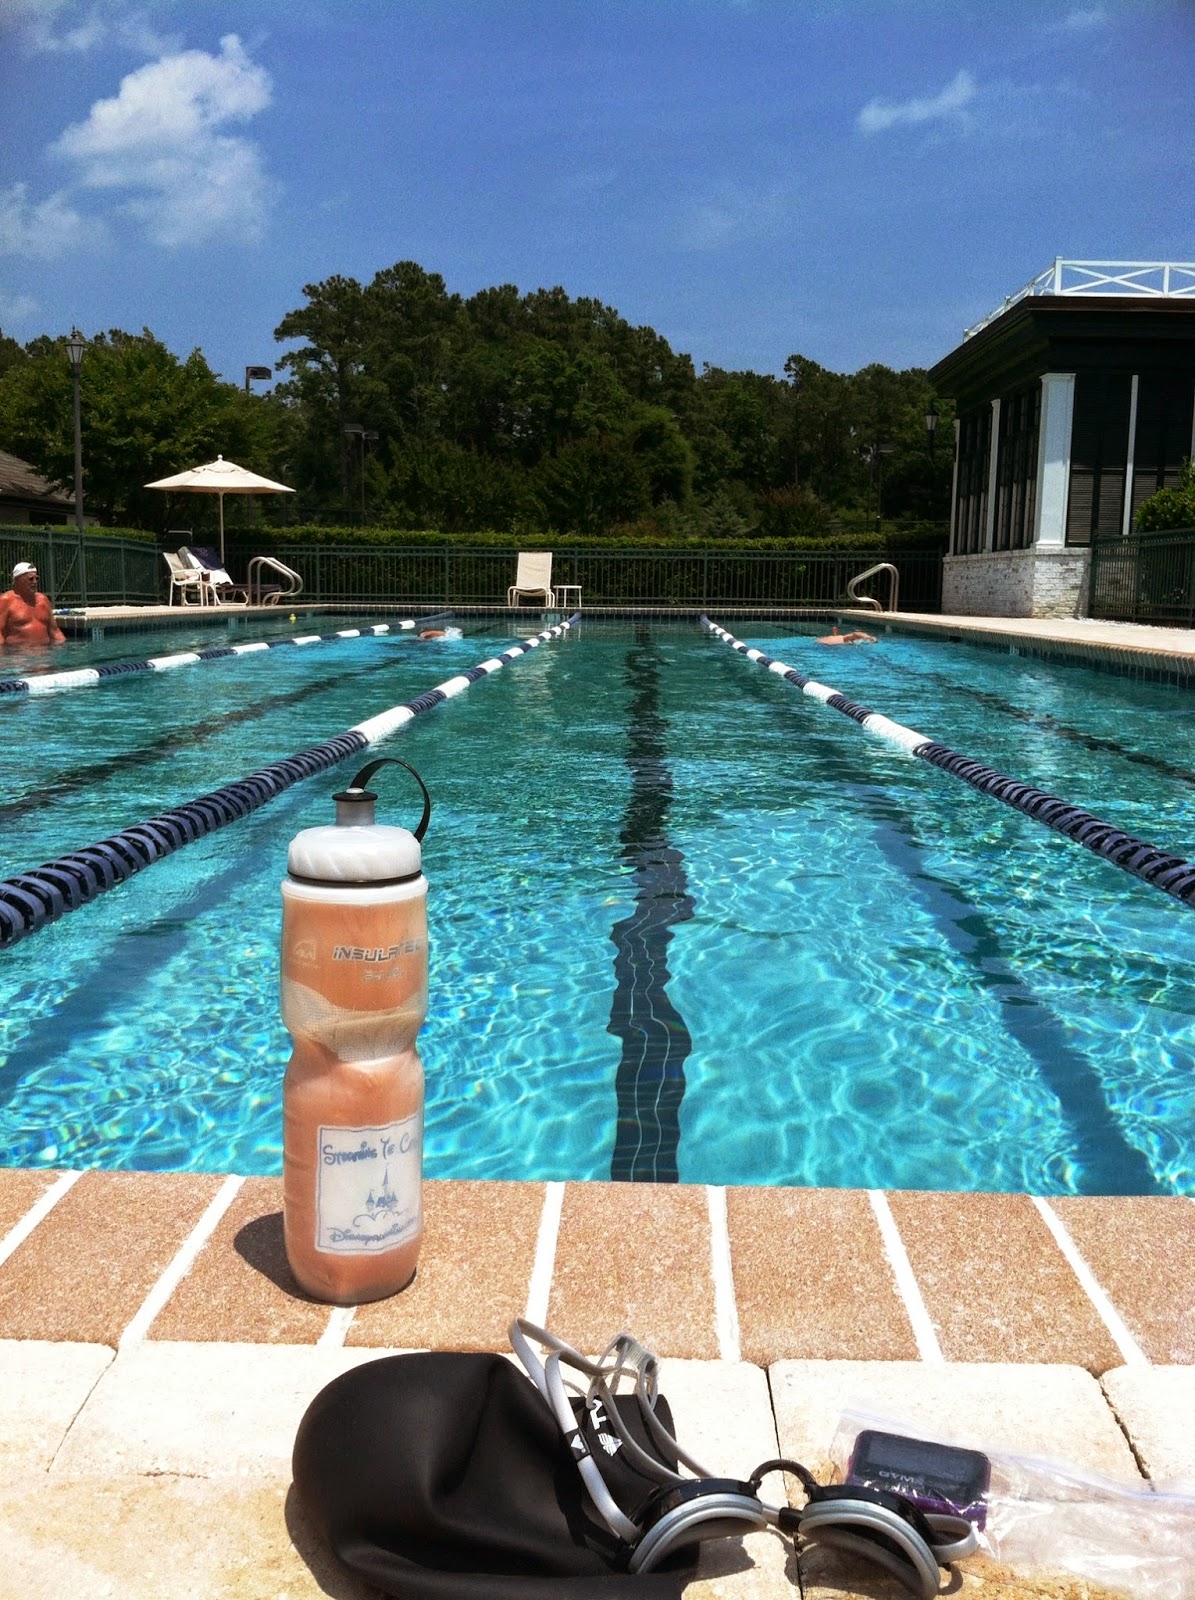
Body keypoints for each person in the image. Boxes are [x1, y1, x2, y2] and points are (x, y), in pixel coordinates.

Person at [0, 562, 65, 646]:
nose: (35, 582)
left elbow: (55, 631)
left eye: (36, 578)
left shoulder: (43, 600)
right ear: (17, 580)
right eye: (30, 579)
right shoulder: (6, 600)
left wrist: (64, 647)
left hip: (44, 651)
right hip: (17, 652)